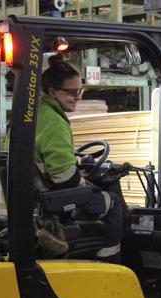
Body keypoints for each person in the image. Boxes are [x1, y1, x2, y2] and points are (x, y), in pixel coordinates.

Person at [29, 54, 122, 262]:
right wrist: (87, 183)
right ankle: (110, 264)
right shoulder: (54, 123)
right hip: (52, 198)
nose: (78, 97)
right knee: (113, 204)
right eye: (71, 92)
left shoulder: (34, 114)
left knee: (89, 196)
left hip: (38, 196)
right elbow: (65, 178)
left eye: (80, 91)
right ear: (52, 91)